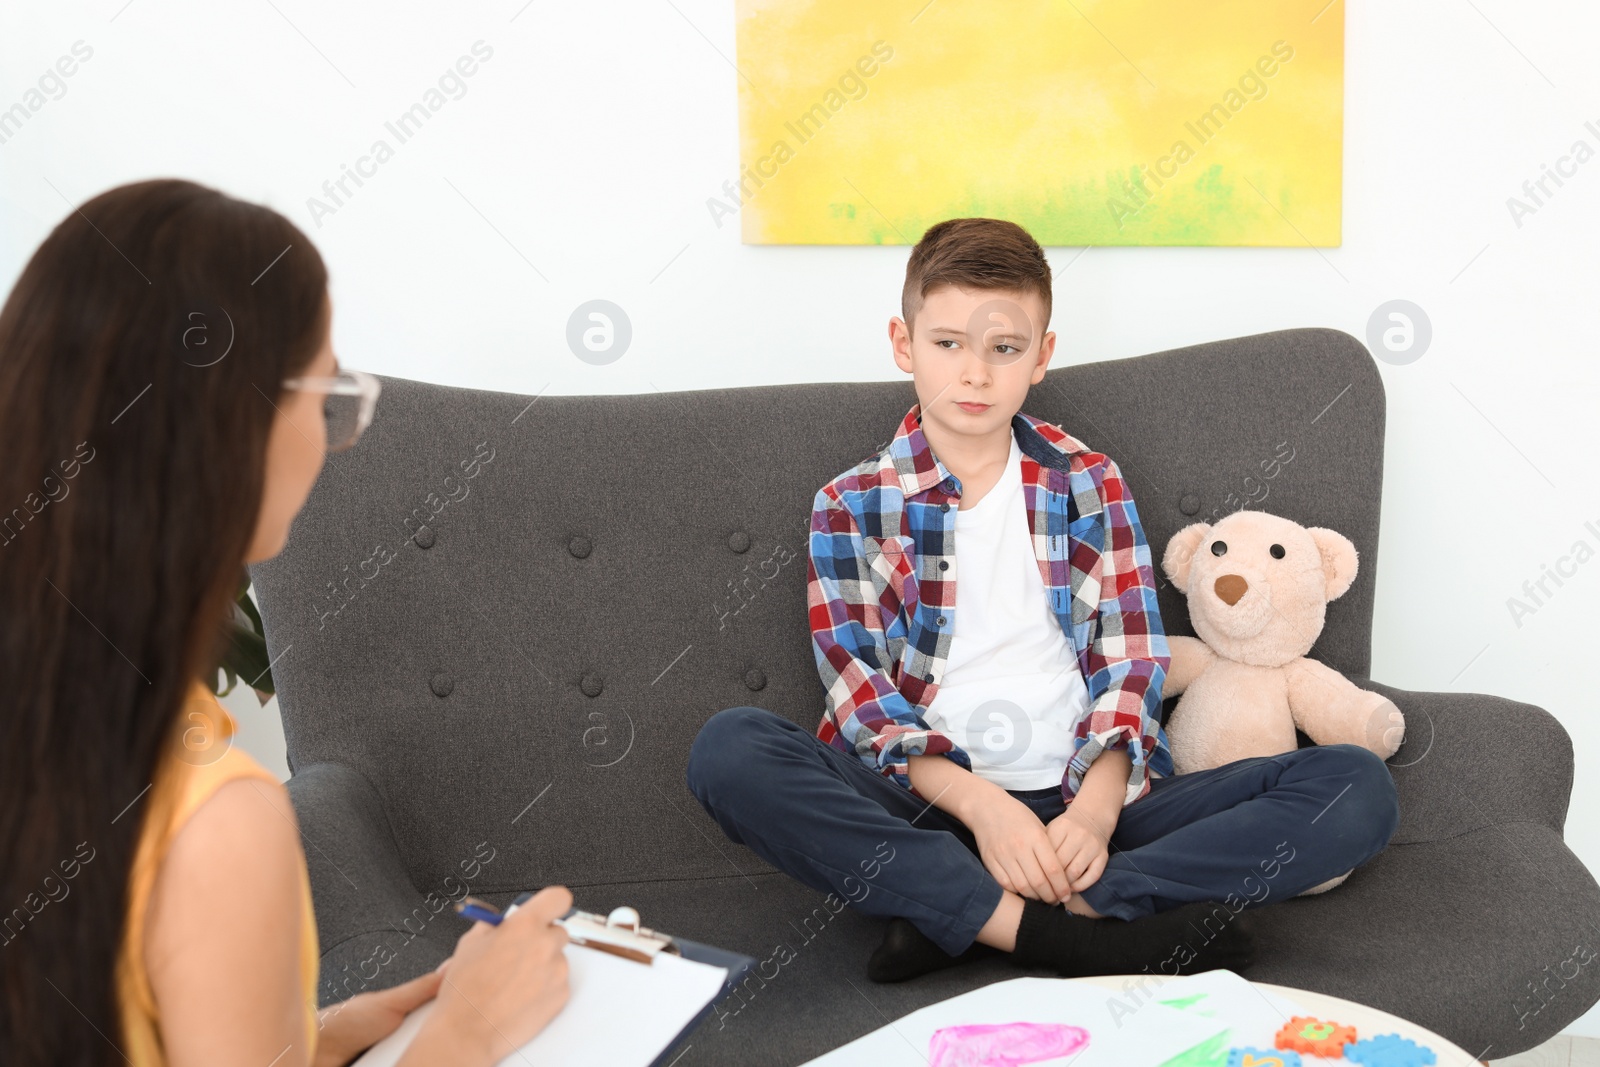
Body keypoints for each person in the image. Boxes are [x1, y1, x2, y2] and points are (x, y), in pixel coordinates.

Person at [686, 217, 1400, 983]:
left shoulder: (1088, 480)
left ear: (1042, 357)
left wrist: (1093, 813)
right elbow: (863, 697)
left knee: (1357, 788)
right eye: (949, 343)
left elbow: (1131, 661)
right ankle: (1064, 936)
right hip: (933, 812)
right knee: (729, 750)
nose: (975, 373)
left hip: (1098, 807)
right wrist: (984, 808)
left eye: (1005, 348)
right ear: (904, 343)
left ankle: (1004, 913)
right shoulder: (851, 503)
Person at [0, 179, 571, 1066]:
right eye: (327, 390)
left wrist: (307, 1037)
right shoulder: (220, 818)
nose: (335, 432)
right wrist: (468, 1034)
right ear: (237, 426)